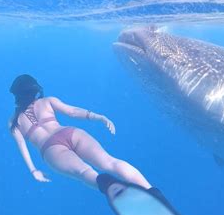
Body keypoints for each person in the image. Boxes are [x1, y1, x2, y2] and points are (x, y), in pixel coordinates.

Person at [8, 74, 151, 189]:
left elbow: (22, 146)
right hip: (69, 132)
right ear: (34, 89)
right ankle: (150, 190)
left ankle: (113, 189)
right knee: (110, 162)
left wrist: (34, 170)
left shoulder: (13, 121)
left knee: (84, 172)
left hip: (50, 149)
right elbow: (73, 112)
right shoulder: (47, 101)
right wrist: (98, 117)